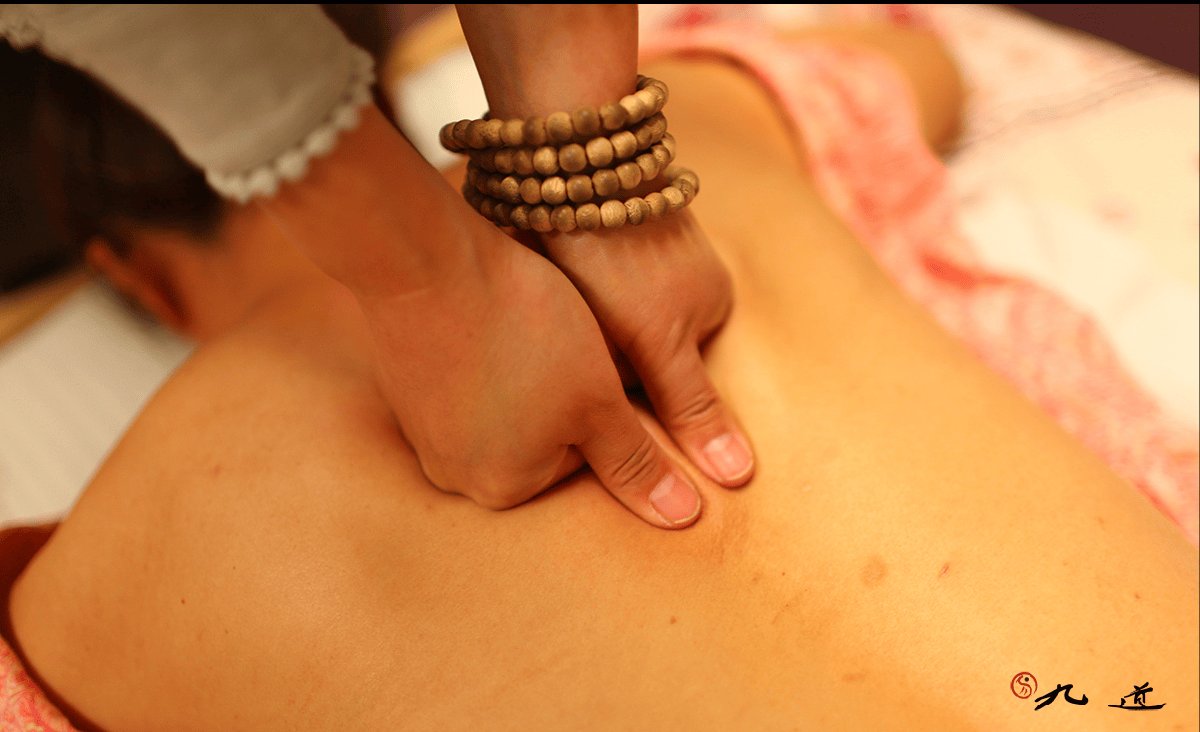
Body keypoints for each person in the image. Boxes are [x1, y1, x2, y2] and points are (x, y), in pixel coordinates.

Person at [3, 17, 1198, 732]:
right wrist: (592, 147)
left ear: (129, 274)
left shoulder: (89, 598)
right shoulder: (717, 129)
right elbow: (919, 61)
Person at [0, 4, 757, 529]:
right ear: (388, 98)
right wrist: (597, 158)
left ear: (134, 278)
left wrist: (431, 279)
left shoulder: (141, 524)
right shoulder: (728, 97)